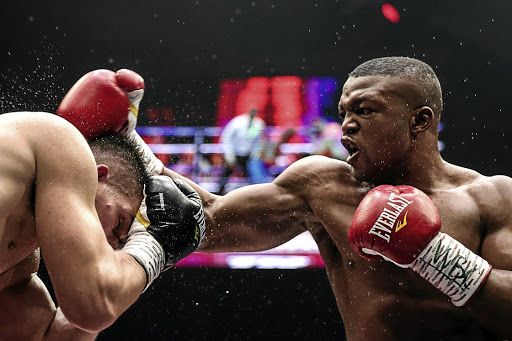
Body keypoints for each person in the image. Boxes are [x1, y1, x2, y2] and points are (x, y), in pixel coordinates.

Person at [161, 57, 511, 340]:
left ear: (419, 121)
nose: (347, 124)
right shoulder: (323, 186)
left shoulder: (493, 197)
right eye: (344, 112)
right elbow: (205, 221)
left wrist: (434, 255)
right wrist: (125, 142)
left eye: (365, 110)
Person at [0, 74, 205, 340]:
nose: (111, 244)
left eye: (119, 244)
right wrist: (154, 245)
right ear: (98, 175)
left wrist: (126, 271)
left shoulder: (17, 261)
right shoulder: (58, 140)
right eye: (120, 223)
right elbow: (93, 307)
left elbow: (54, 333)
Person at [217, 108, 266, 193]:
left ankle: (254, 195)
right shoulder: (237, 122)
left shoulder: (258, 124)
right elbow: (226, 137)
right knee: (226, 175)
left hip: (248, 155)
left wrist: (255, 153)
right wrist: (229, 153)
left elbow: (258, 141)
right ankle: (219, 193)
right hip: (234, 153)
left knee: (252, 176)